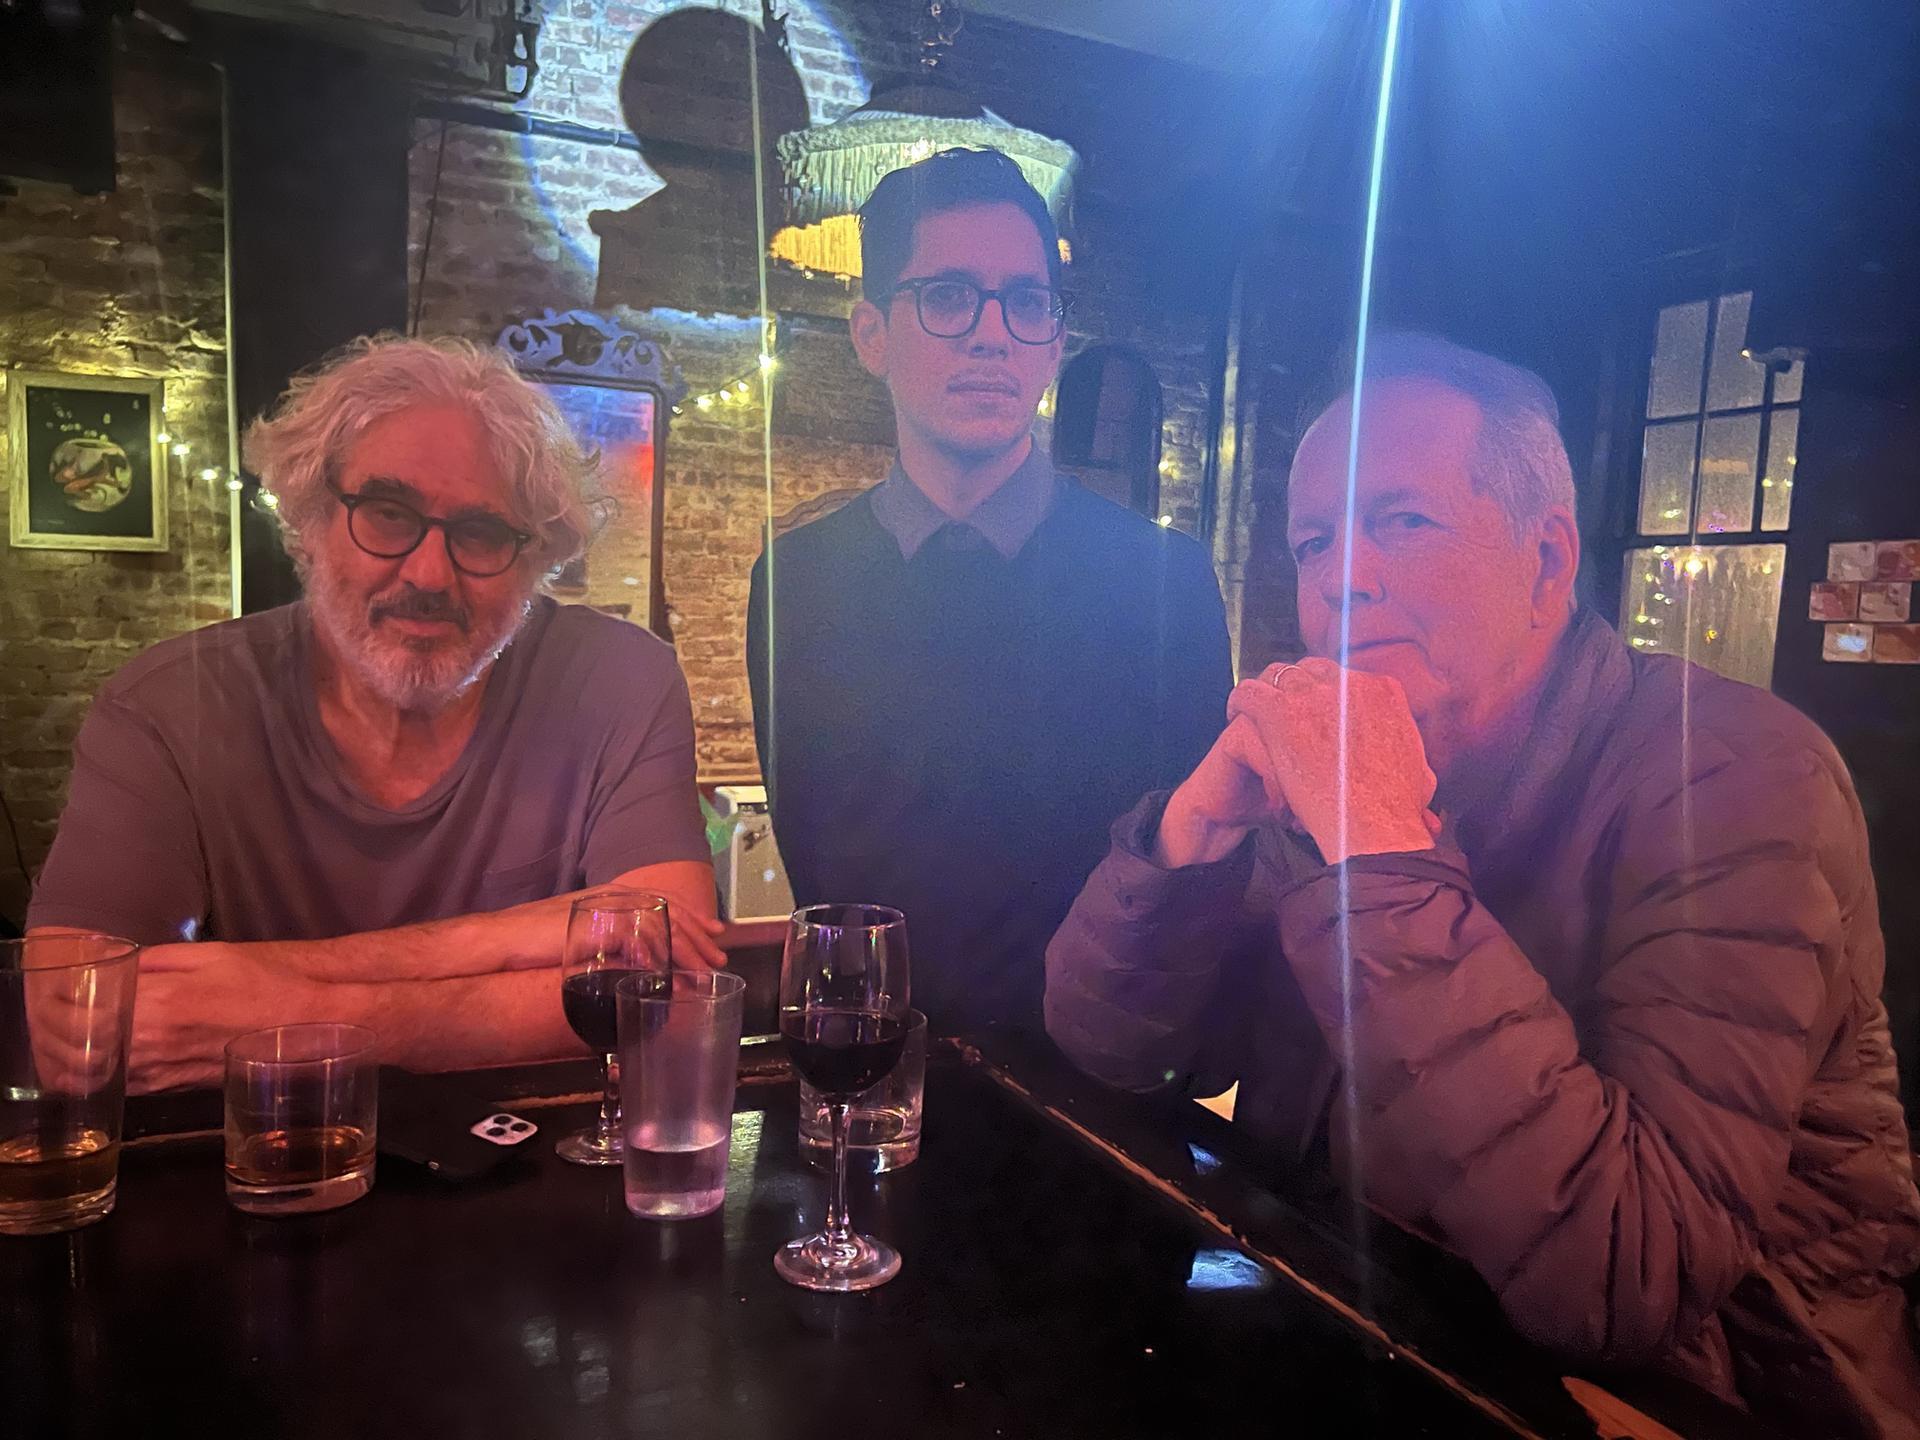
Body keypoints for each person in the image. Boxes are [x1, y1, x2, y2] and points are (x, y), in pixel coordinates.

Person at [1045, 333, 1920, 1437]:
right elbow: (1115, 1048)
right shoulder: (1349, 758)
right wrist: (1190, 838)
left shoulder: (1741, 777)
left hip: (1713, 1399)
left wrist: (1380, 860)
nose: (1342, 578)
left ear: (1547, 561)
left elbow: (1625, 1279)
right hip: (1354, 1328)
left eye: (1403, 522)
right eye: (1315, 541)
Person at [29, 336, 723, 1091]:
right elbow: (76, 1024)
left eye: (482, 532)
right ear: (309, 523)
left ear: (535, 559)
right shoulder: (167, 706)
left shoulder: (620, 678)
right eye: (388, 514)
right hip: (262, 1150)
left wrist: (283, 1011)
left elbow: (668, 996)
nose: (428, 574)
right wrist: (528, 936)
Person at [747, 148, 1231, 1035]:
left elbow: (1190, 887)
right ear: (871, 335)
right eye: (948, 296)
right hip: (870, 1075)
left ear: (1054, 341)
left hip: (1096, 1089)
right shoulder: (796, 583)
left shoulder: (1163, 584)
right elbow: (824, 881)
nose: (992, 334)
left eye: (1027, 302)